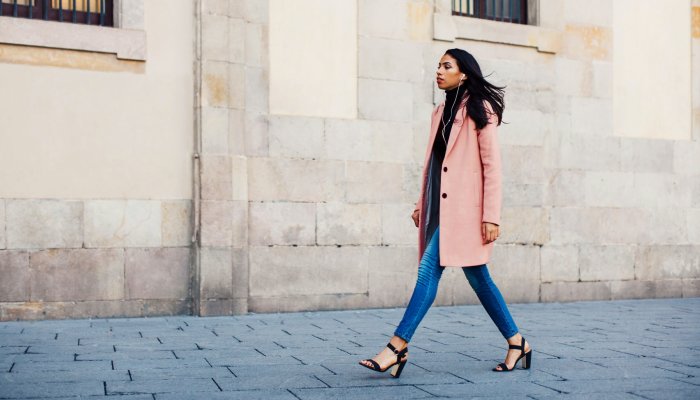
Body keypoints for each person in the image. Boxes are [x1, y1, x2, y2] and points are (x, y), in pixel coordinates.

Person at [359, 48, 531, 377]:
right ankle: (517, 342)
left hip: (468, 213)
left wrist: (491, 216)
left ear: (463, 74)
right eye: (438, 65)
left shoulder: (480, 109)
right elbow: (435, 165)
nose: (438, 70)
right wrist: (421, 204)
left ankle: (396, 347)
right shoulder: (439, 112)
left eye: (446, 66)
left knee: (428, 271)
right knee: (479, 280)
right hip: (443, 210)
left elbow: (492, 167)